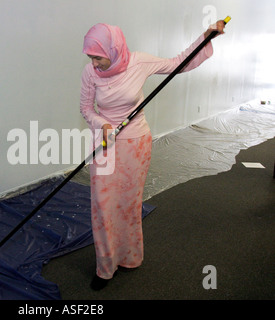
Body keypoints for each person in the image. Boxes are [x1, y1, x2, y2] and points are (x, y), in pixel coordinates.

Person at [80, 20, 226, 290]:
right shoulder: (90, 73)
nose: (95, 64)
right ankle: (105, 266)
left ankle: (129, 257)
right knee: (103, 206)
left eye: (98, 57)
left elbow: (178, 63)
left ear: (112, 50)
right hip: (105, 142)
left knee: (127, 203)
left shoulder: (138, 63)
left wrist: (205, 38)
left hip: (136, 142)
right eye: (91, 57)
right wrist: (102, 125)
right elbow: (86, 108)